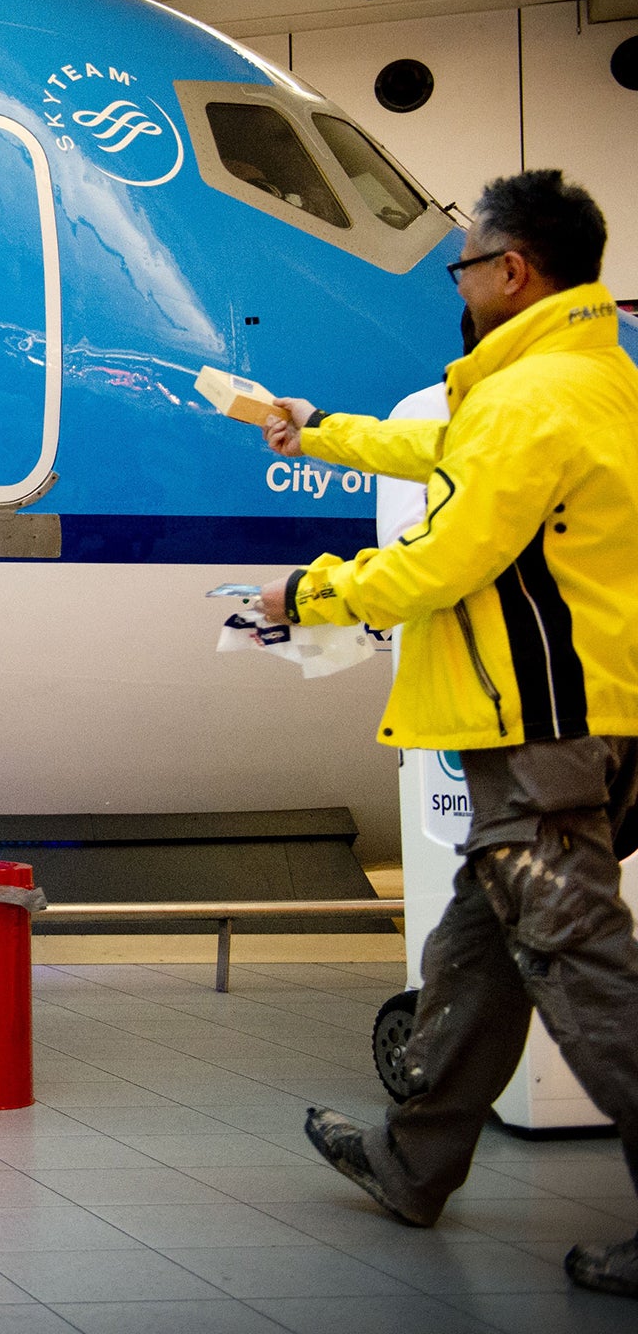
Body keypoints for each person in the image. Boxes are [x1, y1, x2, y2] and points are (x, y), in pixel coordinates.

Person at [253, 171, 638, 1299]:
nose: (456, 285)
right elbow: (448, 458)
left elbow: (440, 561)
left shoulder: (525, 399)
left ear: (511, 271)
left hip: (537, 732)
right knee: (474, 956)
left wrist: (305, 595)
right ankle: (412, 1161)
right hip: (592, 718)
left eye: (463, 266)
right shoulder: (596, 377)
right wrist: (320, 432)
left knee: (586, 978)